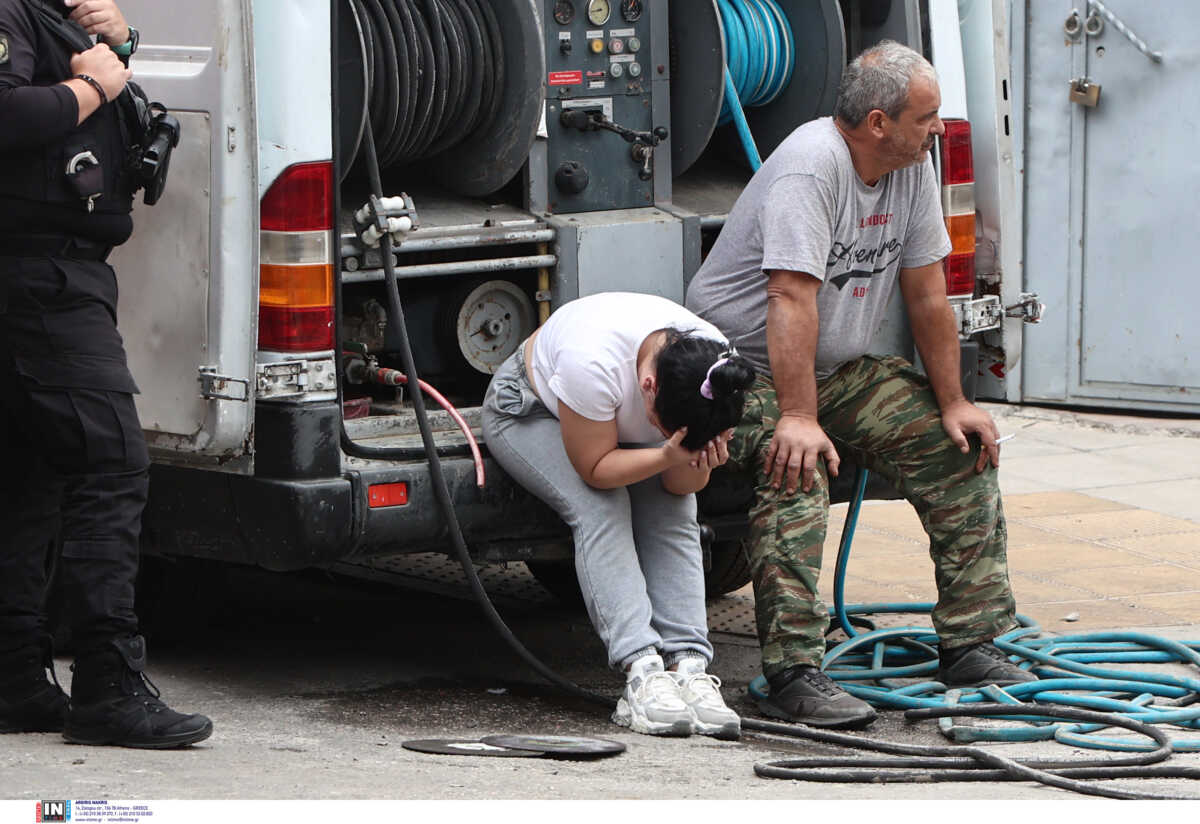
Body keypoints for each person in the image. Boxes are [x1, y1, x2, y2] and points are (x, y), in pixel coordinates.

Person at [685, 40, 1035, 730]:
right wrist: (798, 417)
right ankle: (793, 670)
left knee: (959, 447)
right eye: (926, 117)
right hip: (737, 375)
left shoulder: (910, 166)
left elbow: (928, 291)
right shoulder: (811, 169)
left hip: (831, 368)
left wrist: (956, 401)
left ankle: (972, 639)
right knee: (798, 464)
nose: (938, 130)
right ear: (878, 122)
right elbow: (789, 297)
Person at [0, 0, 211, 747]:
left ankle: (16, 678)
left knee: (30, 475)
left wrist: (118, 48)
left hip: (59, 273)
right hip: (39, 279)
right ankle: (107, 685)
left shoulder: (52, 20)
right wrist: (91, 85)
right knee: (110, 464)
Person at [481, 291, 756, 739]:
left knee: (675, 512)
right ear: (648, 388)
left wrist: (688, 458)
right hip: (531, 409)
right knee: (601, 508)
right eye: (670, 430)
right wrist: (668, 452)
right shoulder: (593, 364)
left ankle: (689, 666)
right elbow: (596, 470)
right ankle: (642, 672)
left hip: (619, 423)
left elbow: (679, 488)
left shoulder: (716, 373)